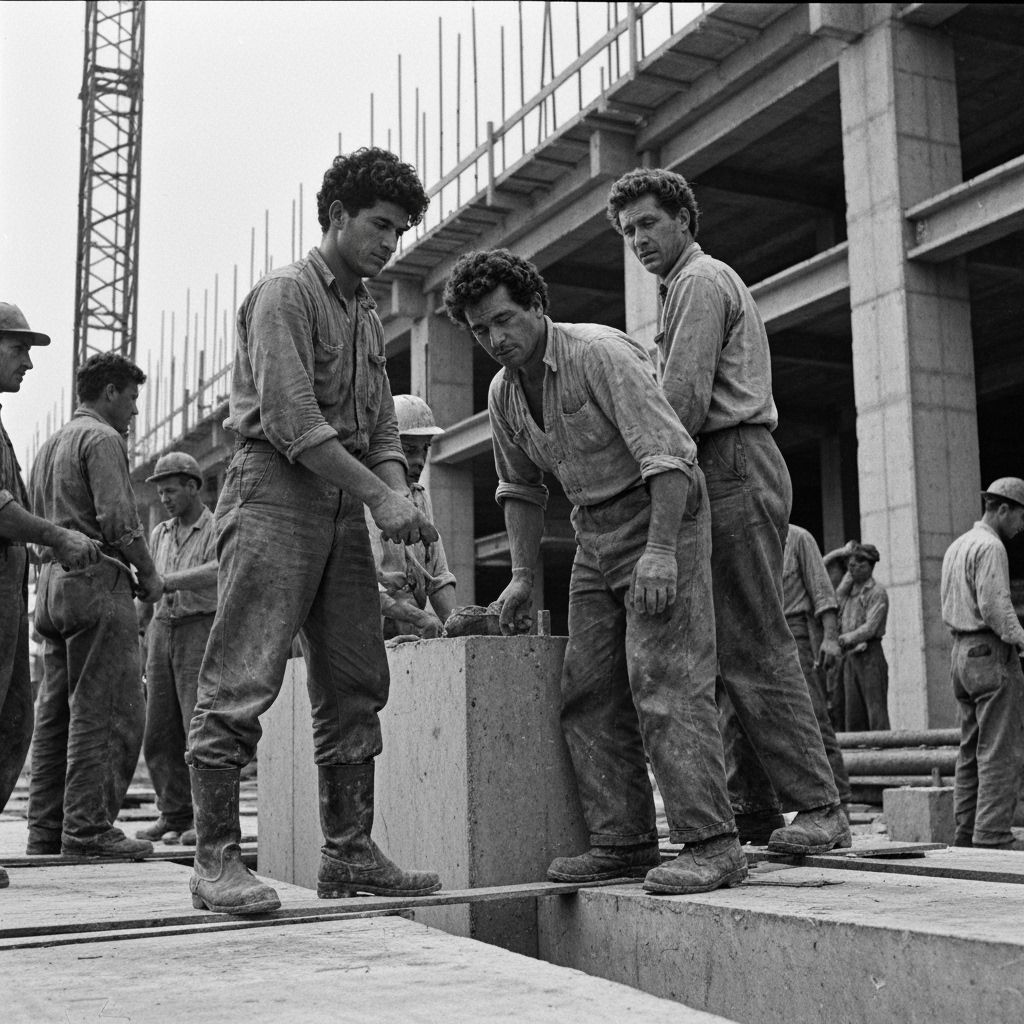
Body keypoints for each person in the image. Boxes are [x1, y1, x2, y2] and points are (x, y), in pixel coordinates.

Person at [185, 147, 442, 915]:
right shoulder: (285, 296)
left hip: (337, 502)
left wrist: (399, 501)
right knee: (241, 679)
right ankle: (215, 861)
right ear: (335, 216)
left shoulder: (365, 309)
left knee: (356, 681)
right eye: (378, 226)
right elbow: (295, 424)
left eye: (399, 232)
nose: (389, 244)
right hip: (272, 495)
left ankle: (350, 853)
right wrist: (381, 500)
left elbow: (381, 431)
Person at [444, 249, 747, 896]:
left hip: (660, 510)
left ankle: (713, 845)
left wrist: (661, 551)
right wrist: (523, 577)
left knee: (664, 679)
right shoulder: (504, 393)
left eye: (504, 320)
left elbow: (670, 457)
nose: (496, 339)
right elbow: (520, 490)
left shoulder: (598, 355)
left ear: (535, 306)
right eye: (480, 330)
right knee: (587, 689)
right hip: (593, 531)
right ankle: (624, 841)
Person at [607, 168, 848, 855]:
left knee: (752, 636)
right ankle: (754, 804)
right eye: (628, 232)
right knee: (726, 644)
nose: (639, 241)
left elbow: (680, 401)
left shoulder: (699, 282)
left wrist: (642, 471)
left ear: (684, 218)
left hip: (730, 456)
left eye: (649, 223)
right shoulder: (685, 285)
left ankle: (820, 805)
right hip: (721, 459)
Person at [27, 351, 163, 860]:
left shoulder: (51, 444)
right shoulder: (102, 439)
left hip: (52, 589)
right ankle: (87, 830)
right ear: (109, 393)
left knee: (55, 715)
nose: (133, 413)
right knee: (107, 711)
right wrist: (149, 574)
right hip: (96, 585)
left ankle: (47, 830)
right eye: (130, 400)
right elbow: (119, 520)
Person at [0, 303, 101, 887]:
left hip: (12, 594)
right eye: (18, 348)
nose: (29, 363)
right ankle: (83, 827)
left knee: (16, 717)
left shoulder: (10, 433)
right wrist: (55, 533)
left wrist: (41, 545)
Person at [136, 452, 217, 845]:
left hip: (198, 629)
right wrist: (140, 624)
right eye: (160, 492)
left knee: (196, 726)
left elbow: (219, 571)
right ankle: (173, 814)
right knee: (159, 729)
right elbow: (150, 582)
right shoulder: (160, 533)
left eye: (170, 491)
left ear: (192, 486)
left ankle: (205, 821)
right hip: (162, 629)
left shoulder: (216, 527)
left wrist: (168, 582)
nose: (165, 499)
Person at [941, 478, 1024, 850]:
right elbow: (994, 607)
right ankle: (991, 835)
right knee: (999, 748)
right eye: (1021, 515)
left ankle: (965, 834)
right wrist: (1020, 638)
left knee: (970, 747)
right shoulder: (991, 547)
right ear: (1002, 508)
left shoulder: (958, 546)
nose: (1021, 526)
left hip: (960, 653)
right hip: (989, 653)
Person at [366, 394, 457, 642]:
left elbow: (437, 576)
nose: (419, 460)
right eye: (409, 450)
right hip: (369, 630)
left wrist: (458, 625)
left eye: (425, 448)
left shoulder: (419, 498)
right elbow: (366, 588)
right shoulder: (367, 499)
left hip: (409, 627)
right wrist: (420, 618)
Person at [782, 525, 852, 810]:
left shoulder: (798, 538)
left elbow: (824, 594)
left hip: (796, 631)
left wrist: (831, 638)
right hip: (760, 635)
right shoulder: (751, 535)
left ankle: (840, 802)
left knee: (812, 718)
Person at [836, 542, 890, 730]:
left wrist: (846, 638)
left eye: (861, 563)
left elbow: (870, 628)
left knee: (876, 712)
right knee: (853, 713)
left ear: (871, 566)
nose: (855, 567)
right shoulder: (847, 592)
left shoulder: (876, 592)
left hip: (870, 655)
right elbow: (836, 597)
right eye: (852, 564)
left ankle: (882, 754)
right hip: (851, 656)